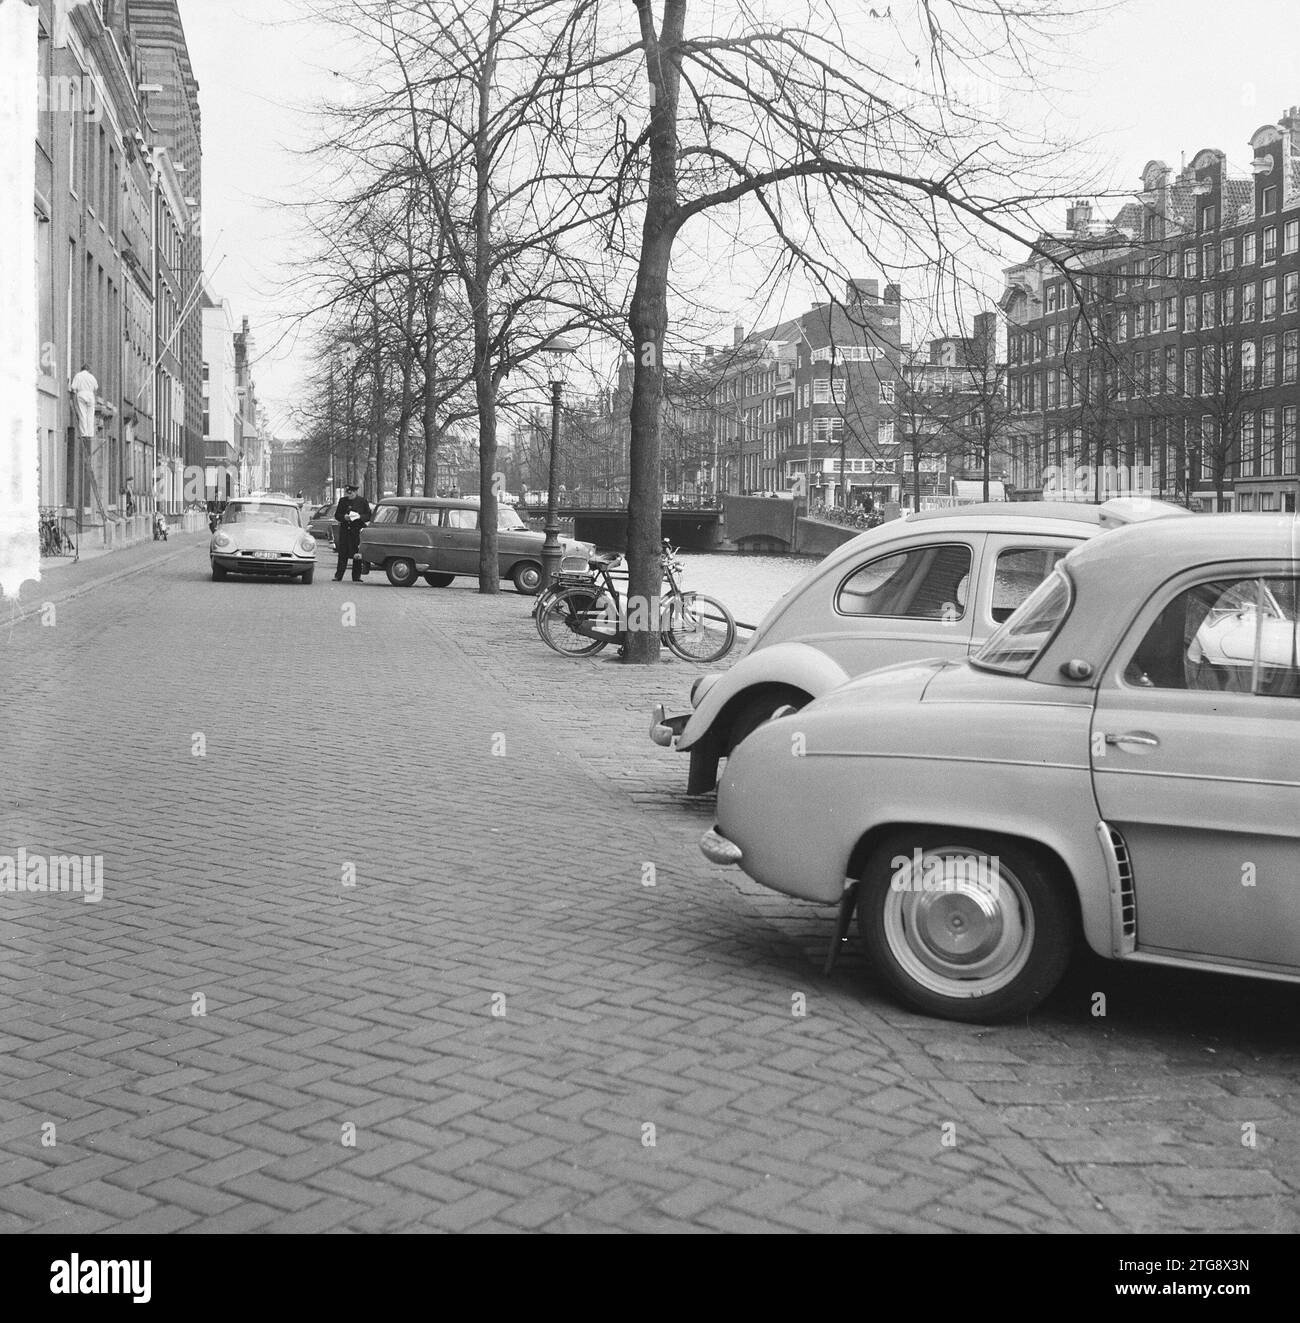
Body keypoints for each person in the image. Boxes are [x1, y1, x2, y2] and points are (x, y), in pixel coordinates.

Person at [333, 482, 372, 581]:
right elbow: (337, 515)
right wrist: (344, 517)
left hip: (356, 531)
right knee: (342, 554)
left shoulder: (362, 501)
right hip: (345, 530)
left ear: (355, 492)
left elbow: (368, 516)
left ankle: (356, 576)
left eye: (351, 493)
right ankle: (339, 575)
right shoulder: (342, 501)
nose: (349, 496)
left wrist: (359, 517)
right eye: (348, 493)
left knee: (357, 554)